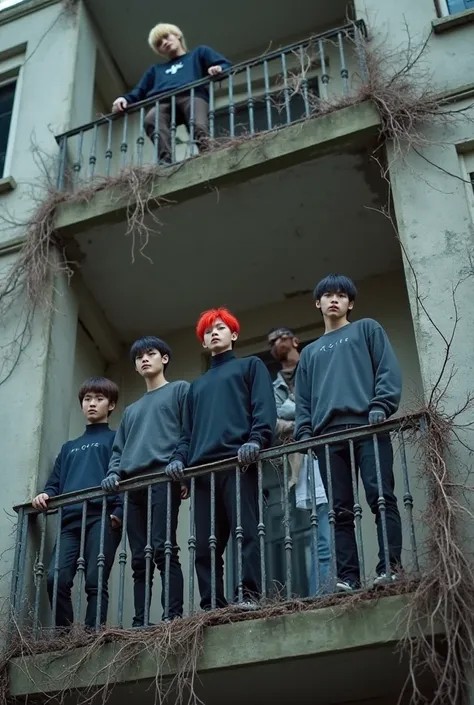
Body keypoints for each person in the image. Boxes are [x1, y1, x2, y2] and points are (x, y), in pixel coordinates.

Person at [295, 274, 403, 593]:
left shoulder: (367, 328)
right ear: (318, 303)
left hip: (368, 426)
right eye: (327, 295)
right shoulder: (310, 353)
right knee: (339, 510)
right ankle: (348, 577)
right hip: (327, 438)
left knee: (381, 498)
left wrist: (381, 405)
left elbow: (386, 369)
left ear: (350, 303)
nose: (333, 300)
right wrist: (304, 434)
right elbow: (303, 399)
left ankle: (389, 568)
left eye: (341, 295)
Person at [166, 308, 276, 609]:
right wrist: (180, 461)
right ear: (203, 342)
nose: (213, 333)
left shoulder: (250, 366)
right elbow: (186, 434)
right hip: (203, 473)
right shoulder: (195, 387)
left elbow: (264, 410)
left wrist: (256, 439)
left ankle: (249, 595)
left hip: (240, 463)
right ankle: (212, 604)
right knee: (204, 546)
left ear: (234, 334)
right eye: (207, 331)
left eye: (220, 328)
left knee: (247, 533)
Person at [102, 337, 189, 626]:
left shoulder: (180, 390)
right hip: (130, 486)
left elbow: (188, 432)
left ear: (164, 358)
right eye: (139, 357)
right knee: (139, 558)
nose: (144, 359)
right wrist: (114, 474)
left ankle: (171, 617)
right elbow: (118, 451)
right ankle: (140, 620)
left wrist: (181, 464)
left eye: (150, 354)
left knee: (163, 547)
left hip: (163, 477)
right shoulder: (131, 411)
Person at [32, 377, 122, 630]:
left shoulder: (116, 439)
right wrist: (44, 495)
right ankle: (65, 635)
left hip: (102, 517)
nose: (92, 404)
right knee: (55, 579)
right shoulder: (69, 447)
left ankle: (93, 636)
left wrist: (120, 511)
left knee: (95, 579)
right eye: (87, 399)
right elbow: (55, 483)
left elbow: (126, 475)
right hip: (70, 521)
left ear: (111, 405)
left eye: (99, 399)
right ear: (81, 405)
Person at [268, 327, 331, 594]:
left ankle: (334, 586)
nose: (274, 343)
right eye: (270, 342)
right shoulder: (273, 387)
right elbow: (273, 422)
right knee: (312, 530)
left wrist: (294, 410)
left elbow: (326, 400)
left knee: (335, 524)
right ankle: (320, 592)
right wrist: (306, 415)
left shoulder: (316, 362)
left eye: (279, 337)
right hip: (299, 462)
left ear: (295, 340)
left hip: (330, 450)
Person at [111, 23, 231, 163]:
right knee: (151, 119)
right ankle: (165, 162)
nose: (165, 43)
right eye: (159, 43)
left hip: (192, 95)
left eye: (166, 37)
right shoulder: (155, 70)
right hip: (163, 102)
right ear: (160, 51)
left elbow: (225, 65)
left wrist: (218, 68)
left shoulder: (199, 53)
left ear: (178, 35)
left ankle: (209, 154)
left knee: (198, 125)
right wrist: (123, 99)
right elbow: (139, 91)